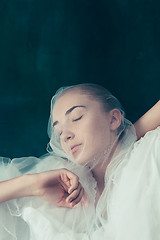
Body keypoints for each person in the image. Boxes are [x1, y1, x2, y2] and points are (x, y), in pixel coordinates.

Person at [0, 83, 159, 240]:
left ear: (114, 119)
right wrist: (33, 184)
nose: (65, 136)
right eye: (59, 131)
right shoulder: (61, 183)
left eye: (76, 118)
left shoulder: (148, 158)